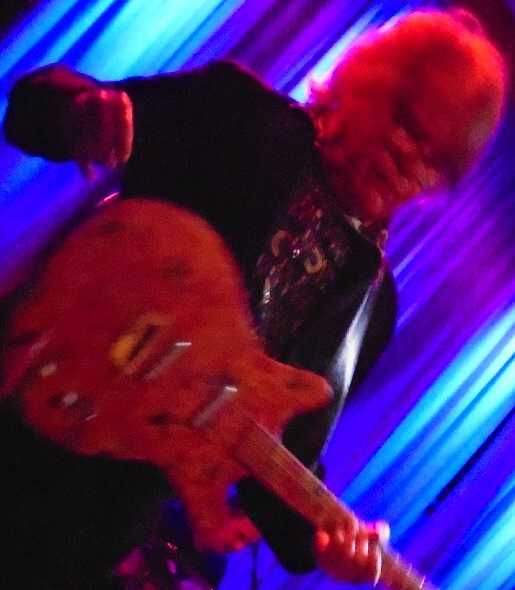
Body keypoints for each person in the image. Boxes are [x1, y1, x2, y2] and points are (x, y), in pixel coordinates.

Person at [0, 8, 506, 590]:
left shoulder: (370, 310)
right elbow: (32, 109)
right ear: (371, 80)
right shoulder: (238, 115)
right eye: (409, 125)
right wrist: (79, 115)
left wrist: (328, 545)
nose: (410, 160)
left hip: (83, 535)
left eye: (436, 159)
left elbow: (278, 466)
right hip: (22, 398)